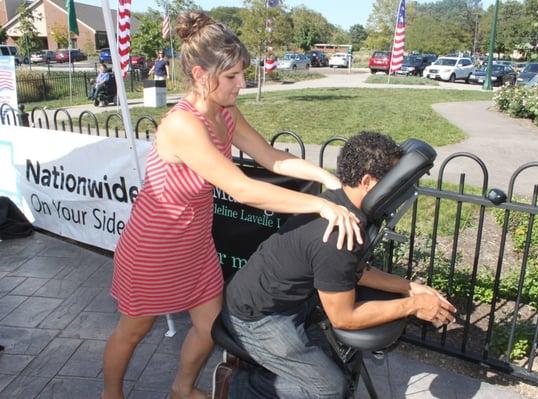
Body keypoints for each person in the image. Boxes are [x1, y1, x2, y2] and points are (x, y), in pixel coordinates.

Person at [102, 11, 362, 399]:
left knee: (210, 324)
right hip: (154, 246)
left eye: (242, 73)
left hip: (194, 243)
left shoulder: (225, 111)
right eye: (231, 77)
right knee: (135, 329)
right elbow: (241, 188)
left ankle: (182, 389)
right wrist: (320, 206)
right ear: (199, 75)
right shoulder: (182, 125)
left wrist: (328, 179)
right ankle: (111, 393)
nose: (242, 83)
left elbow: (269, 156)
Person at [222, 132, 457, 398]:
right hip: (257, 318)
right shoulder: (338, 235)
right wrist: (414, 305)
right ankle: (237, 384)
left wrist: (410, 287)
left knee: (336, 363)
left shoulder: (340, 203)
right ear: (367, 181)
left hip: (290, 300)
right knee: (332, 389)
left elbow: (352, 271)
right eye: (391, 181)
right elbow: (344, 317)